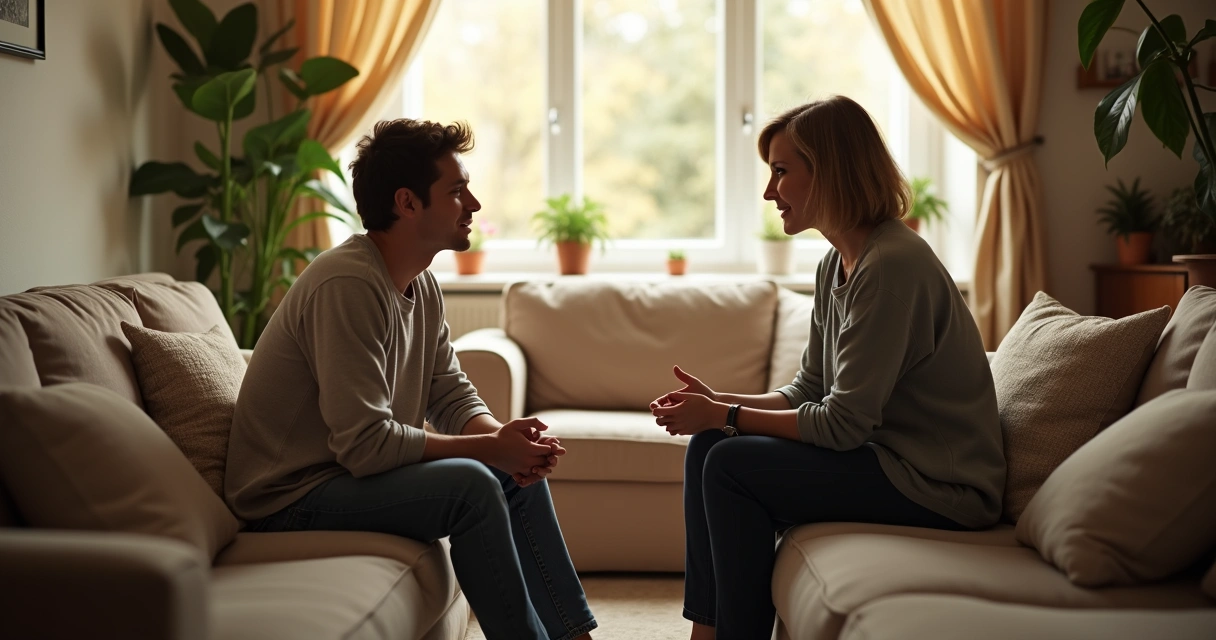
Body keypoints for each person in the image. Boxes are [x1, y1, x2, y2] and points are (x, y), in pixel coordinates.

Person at [226, 118, 596, 640]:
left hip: (344, 478)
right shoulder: (347, 285)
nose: (474, 204)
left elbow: (447, 390)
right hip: (290, 499)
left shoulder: (420, 281)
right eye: (456, 190)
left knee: (511, 474)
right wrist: (489, 450)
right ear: (407, 202)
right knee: (473, 484)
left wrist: (504, 440)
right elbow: (366, 445)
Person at [650, 96, 1005, 640]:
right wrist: (720, 408)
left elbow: (843, 424)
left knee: (729, 464)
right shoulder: (835, 263)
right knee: (708, 448)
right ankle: (709, 632)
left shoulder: (891, 268)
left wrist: (727, 413)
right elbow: (809, 389)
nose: (770, 192)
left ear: (831, 171)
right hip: (889, 460)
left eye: (781, 172)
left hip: (941, 486)